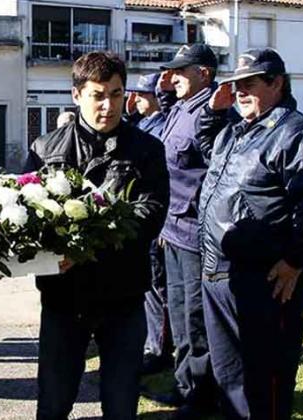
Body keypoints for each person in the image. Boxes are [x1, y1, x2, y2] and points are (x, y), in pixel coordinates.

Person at [198, 48, 303, 420]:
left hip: (265, 281)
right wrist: (213, 111)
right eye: (235, 85)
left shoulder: (297, 134)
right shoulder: (235, 131)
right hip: (218, 274)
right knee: (230, 378)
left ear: (276, 83)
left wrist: (295, 261)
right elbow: (204, 149)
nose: (240, 93)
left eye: (249, 84)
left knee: (267, 382)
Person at [24, 52, 169, 420]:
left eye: (117, 94)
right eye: (98, 95)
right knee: (54, 401)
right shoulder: (45, 150)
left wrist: (86, 245)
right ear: (76, 95)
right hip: (63, 299)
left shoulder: (147, 150)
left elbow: (150, 212)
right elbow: (25, 215)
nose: (108, 105)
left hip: (123, 295)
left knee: (121, 404)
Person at [154, 43, 225, 418]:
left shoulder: (213, 113)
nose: (174, 77)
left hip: (197, 232)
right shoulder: (181, 107)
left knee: (197, 319)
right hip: (174, 228)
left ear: (205, 74)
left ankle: (203, 395)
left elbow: (214, 166)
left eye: (182, 71)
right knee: (178, 314)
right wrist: (164, 93)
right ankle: (185, 388)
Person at [126, 72, 173, 375]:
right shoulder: (143, 123)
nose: (136, 100)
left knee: (157, 287)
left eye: (141, 96)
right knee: (149, 289)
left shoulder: (160, 125)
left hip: (159, 221)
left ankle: (159, 349)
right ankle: (153, 344)